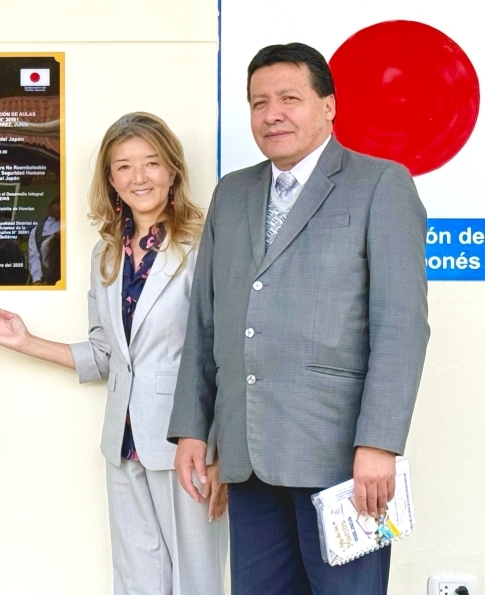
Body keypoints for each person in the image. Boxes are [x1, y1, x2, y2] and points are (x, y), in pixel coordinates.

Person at [168, 43, 430, 595]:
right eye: (259, 102)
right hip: (248, 458)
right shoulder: (233, 193)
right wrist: (196, 428)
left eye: (290, 98)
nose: (273, 114)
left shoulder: (381, 185)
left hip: (342, 462)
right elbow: (206, 321)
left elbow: (401, 325)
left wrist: (379, 442)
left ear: (329, 106)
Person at [0, 113, 227, 595]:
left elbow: (224, 355)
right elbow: (110, 356)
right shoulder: (107, 255)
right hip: (123, 442)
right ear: (110, 179)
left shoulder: (205, 245)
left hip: (187, 444)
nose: (139, 177)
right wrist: (25, 341)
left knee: (198, 580)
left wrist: (221, 452)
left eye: (152, 163)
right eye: (124, 166)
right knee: (136, 582)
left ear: (173, 170)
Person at [28, 196, 61, 284]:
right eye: (57, 204)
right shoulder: (36, 231)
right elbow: (34, 256)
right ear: (49, 207)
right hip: (45, 280)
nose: (59, 207)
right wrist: (37, 279)